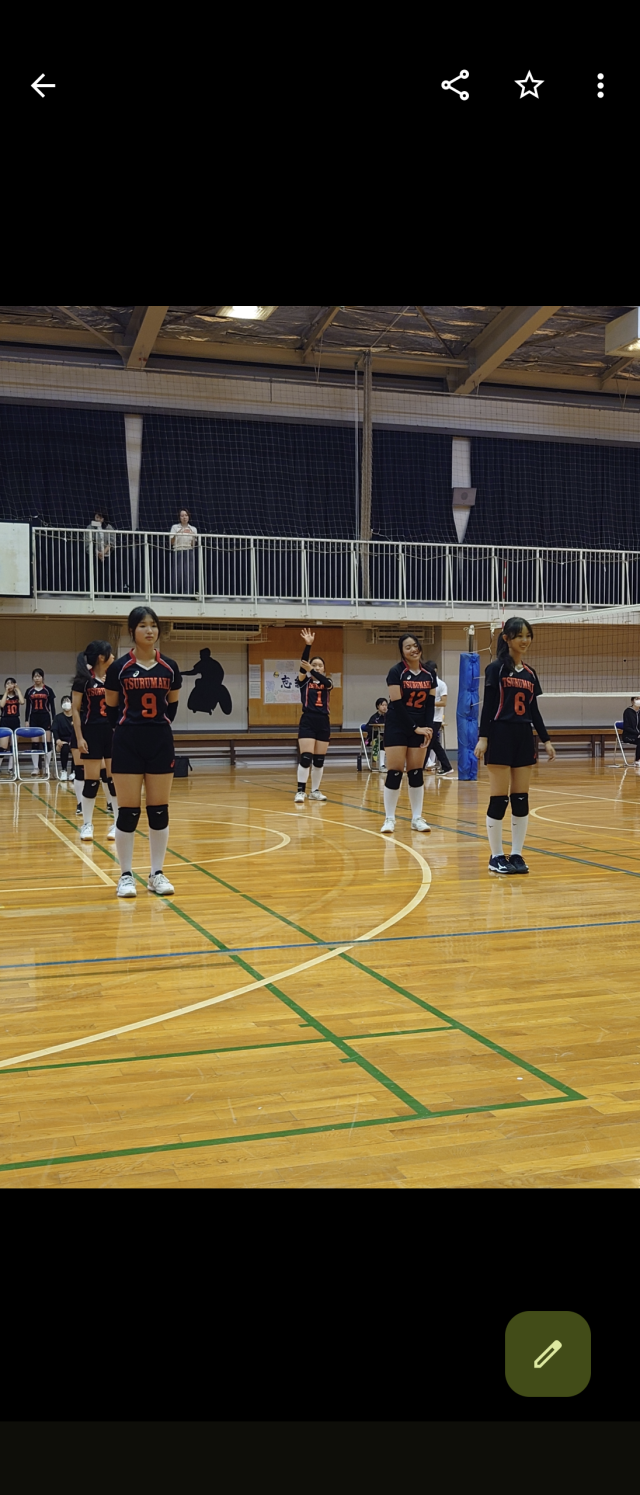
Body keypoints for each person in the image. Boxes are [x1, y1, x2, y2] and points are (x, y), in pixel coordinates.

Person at [105, 605, 182, 898]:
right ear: (132, 631)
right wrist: (129, 729)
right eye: (142, 625)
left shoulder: (170, 667)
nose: (149, 630)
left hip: (160, 741)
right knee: (128, 812)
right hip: (127, 742)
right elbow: (111, 710)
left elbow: (172, 707)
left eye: (153, 625)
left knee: (159, 811)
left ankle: (156, 874)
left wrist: (154, 726)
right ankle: (125, 875)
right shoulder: (119, 668)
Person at [474, 616, 556, 875]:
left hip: (523, 735)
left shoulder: (530, 673)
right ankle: (496, 856)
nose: (525, 640)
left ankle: (517, 854)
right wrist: (483, 738)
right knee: (499, 799)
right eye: (519, 635)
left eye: (528, 635)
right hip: (500, 733)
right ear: (507, 638)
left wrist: (546, 740)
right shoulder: (496, 668)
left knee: (520, 799)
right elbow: (488, 706)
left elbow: (534, 710)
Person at [381, 635, 436, 833]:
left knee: (415, 772)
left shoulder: (429, 673)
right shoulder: (396, 672)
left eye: (415, 645)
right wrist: (414, 728)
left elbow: (430, 705)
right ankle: (389, 819)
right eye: (408, 647)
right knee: (395, 771)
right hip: (397, 725)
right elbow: (396, 704)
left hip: (420, 726)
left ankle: (417, 818)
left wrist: (428, 729)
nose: (413, 649)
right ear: (402, 651)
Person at [72, 642, 117, 842]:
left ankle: (117, 823)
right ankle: (87, 824)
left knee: (113, 780)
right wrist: (79, 737)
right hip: (91, 732)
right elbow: (75, 710)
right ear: (101, 656)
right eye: (110, 654)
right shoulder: (83, 680)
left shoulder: (114, 679)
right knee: (91, 780)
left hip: (112, 732)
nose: (113, 657)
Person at [294, 628, 333, 804]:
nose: (316, 667)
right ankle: (300, 791)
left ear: (324, 668)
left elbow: (325, 682)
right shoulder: (304, 681)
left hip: (323, 721)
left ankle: (315, 791)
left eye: (319, 665)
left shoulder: (327, 682)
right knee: (306, 757)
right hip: (308, 720)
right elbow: (304, 665)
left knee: (319, 760)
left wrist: (312, 670)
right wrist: (308, 645)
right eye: (314, 665)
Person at [424, 662, 455, 777]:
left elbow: (443, 702)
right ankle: (447, 767)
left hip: (435, 719)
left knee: (428, 743)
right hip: (427, 718)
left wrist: (429, 704)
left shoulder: (441, 684)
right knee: (434, 744)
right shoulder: (426, 684)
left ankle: (420, 767)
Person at [24, 669, 56, 775]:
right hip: (34, 717)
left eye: (39, 676)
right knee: (35, 743)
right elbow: (28, 707)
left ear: (42, 677)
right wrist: (26, 720)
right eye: (35, 676)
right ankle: (35, 768)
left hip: (45, 717)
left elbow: (52, 706)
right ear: (32, 678)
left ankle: (47, 767)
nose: (37, 678)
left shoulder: (48, 690)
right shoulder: (29, 691)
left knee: (47, 743)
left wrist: (54, 719)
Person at [182, 649, 232, 715]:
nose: (200, 657)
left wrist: (181, 673)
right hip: (213, 684)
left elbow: (193, 672)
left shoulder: (206, 663)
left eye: (201, 655)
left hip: (211, 684)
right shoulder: (211, 663)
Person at [169, 509, 198, 595]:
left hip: (189, 551)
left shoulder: (193, 528)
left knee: (189, 574)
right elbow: (171, 542)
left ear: (188, 517)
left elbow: (193, 544)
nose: (184, 517)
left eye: (186, 515)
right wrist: (178, 533)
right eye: (182, 516)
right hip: (178, 550)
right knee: (177, 573)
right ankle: (175, 594)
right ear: (179, 517)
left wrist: (193, 536)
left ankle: (188, 594)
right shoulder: (175, 527)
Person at [0, 678, 25, 775]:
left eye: (11, 683)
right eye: (7, 683)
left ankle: (11, 768)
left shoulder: (17, 697)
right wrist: (6, 692)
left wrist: (17, 689)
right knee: (3, 746)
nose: (9, 685)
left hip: (15, 721)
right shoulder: (2, 696)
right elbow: (2, 705)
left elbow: (22, 702)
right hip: (5, 721)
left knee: (13, 745)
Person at [51, 695, 74, 779]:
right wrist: (57, 740)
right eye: (64, 702)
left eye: (68, 701)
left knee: (75, 748)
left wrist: (73, 740)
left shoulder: (77, 716)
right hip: (62, 741)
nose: (66, 703)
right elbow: (54, 730)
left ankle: (74, 771)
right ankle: (64, 770)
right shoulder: (58, 717)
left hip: (74, 740)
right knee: (65, 748)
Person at [362, 697, 388, 767]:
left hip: (385, 738)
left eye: (386, 705)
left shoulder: (388, 717)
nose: (384, 707)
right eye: (382, 705)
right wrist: (377, 735)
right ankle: (382, 764)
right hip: (371, 739)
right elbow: (368, 728)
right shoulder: (374, 718)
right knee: (382, 742)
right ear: (378, 706)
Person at [621, 697, 640, 772]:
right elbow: (626, 727)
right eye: (637, 699)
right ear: (632, 701)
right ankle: (637, 760)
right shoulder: (628, 712)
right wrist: (638, 733)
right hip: (628, 736)